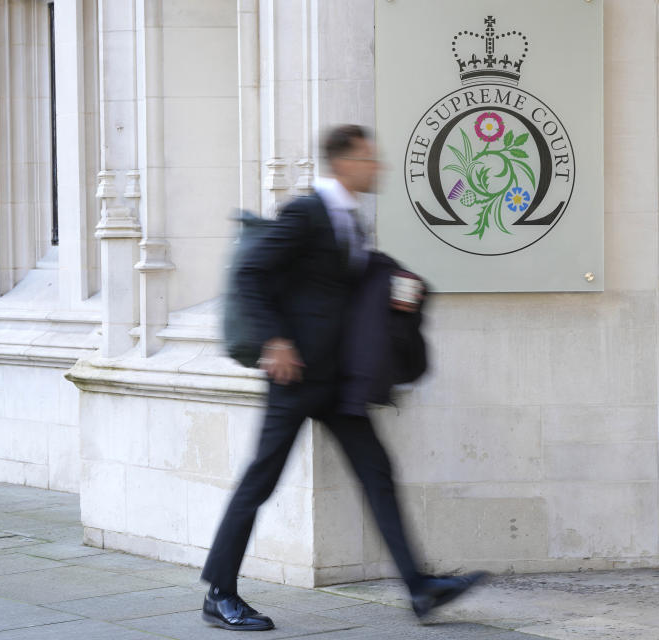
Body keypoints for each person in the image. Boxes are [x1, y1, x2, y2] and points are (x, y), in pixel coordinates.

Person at [201, 125, 486, 631]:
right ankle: (220, 592)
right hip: (294, 377)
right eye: (368, 159)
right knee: (260, 482)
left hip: (337, 383)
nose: (377, 168)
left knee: (377, 474)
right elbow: (252, 275)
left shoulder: (350, 220)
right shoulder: (306, 212)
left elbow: (342, 292)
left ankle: (420, 589)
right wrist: (275, 341)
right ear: (344, 162)